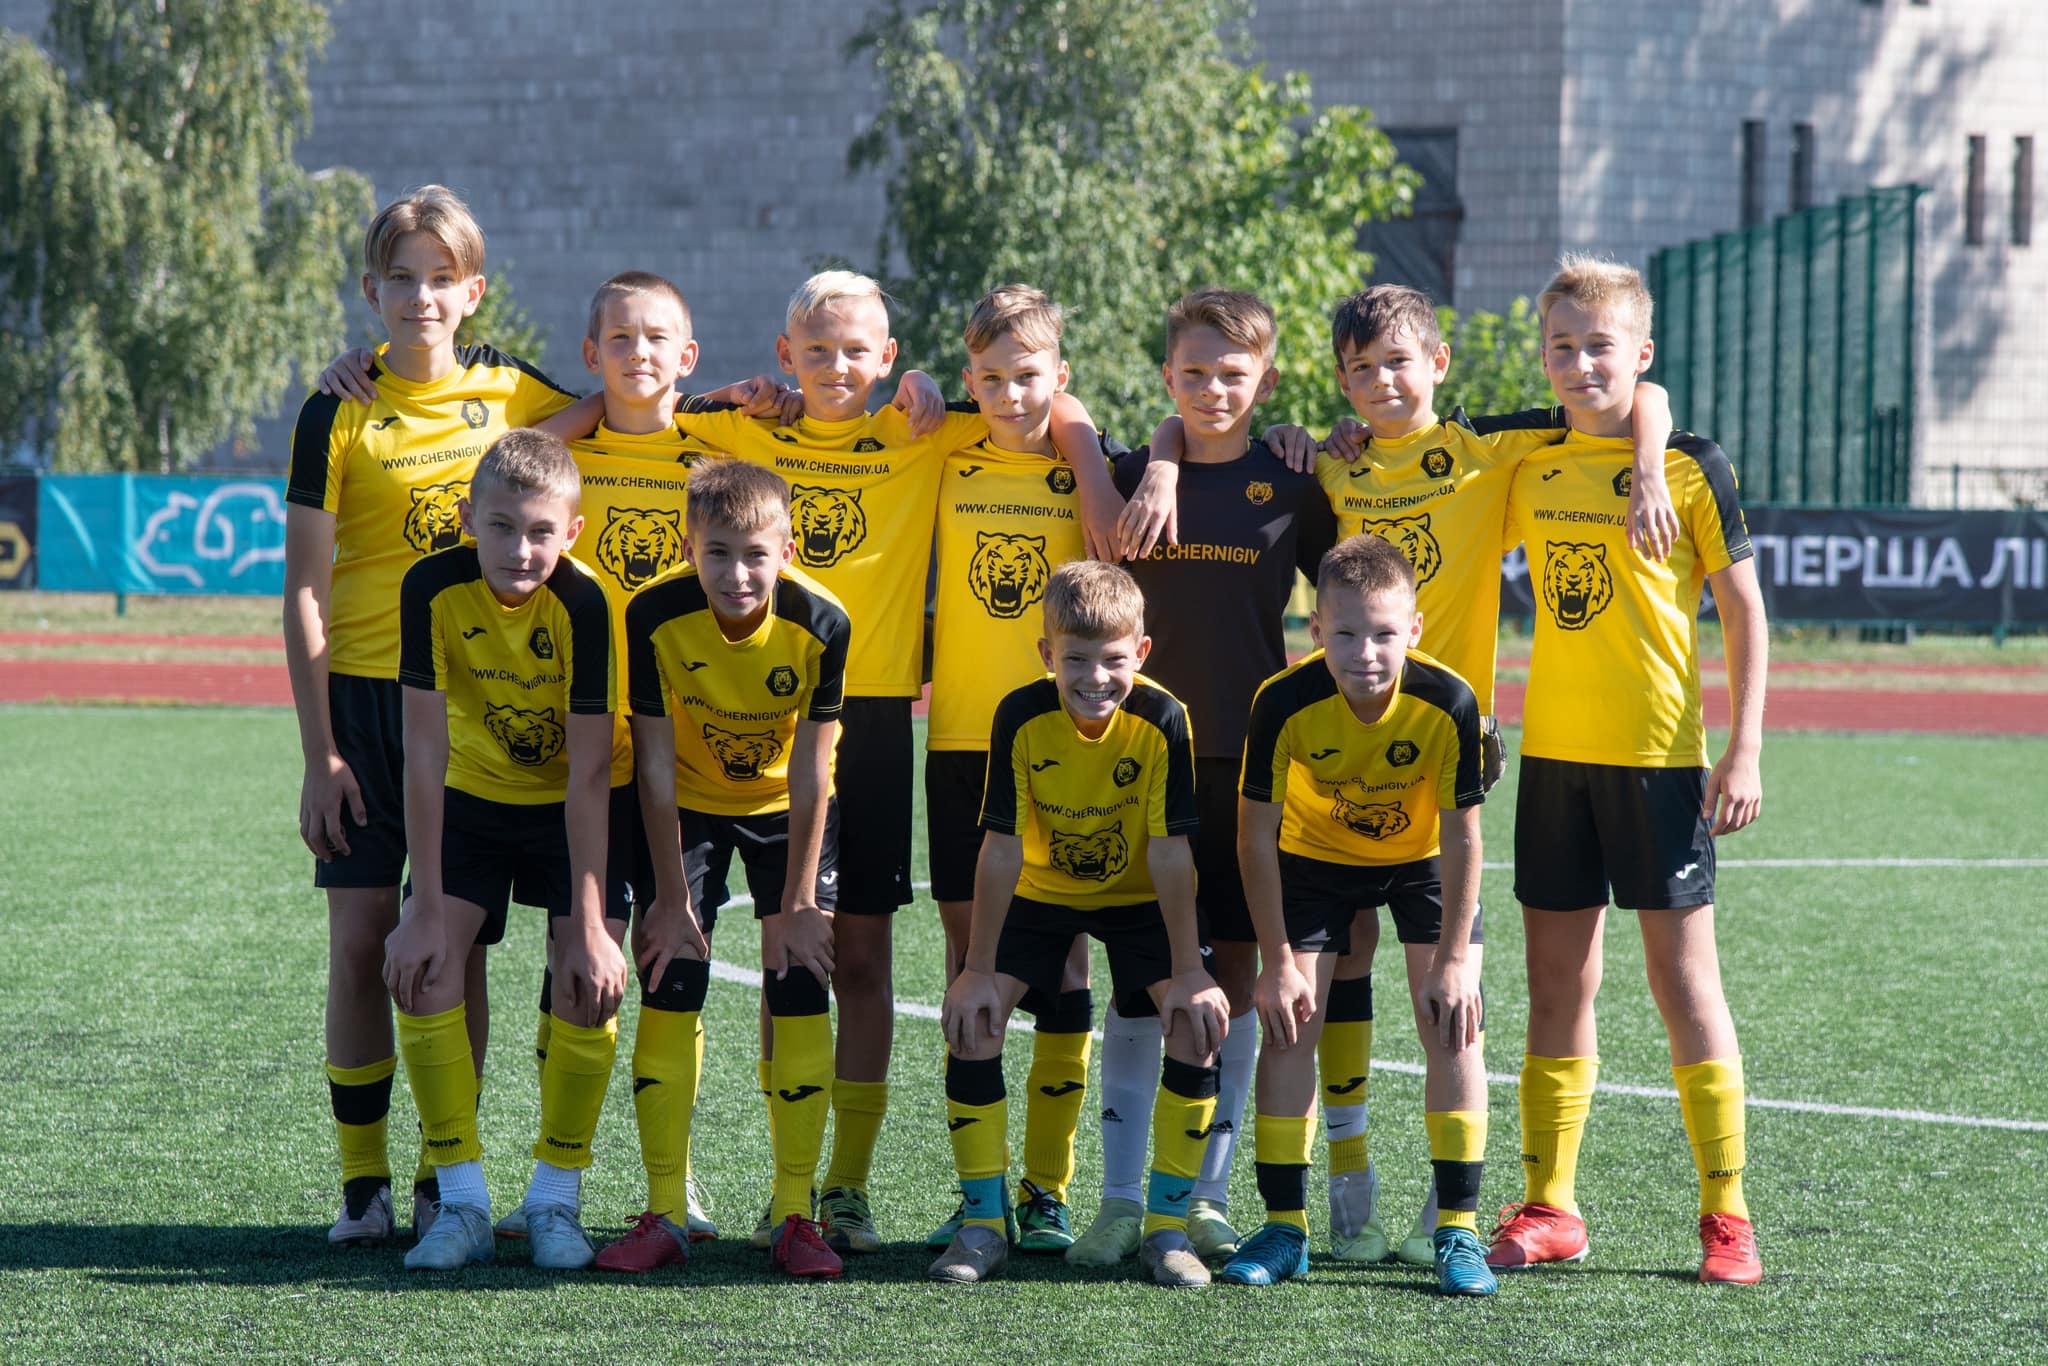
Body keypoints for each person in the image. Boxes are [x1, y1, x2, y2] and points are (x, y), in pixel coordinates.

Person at [647, 270, 1118, 1252]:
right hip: (759, 711)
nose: (835, 367)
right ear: (786, 354)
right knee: (785, 950)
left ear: (890, 358)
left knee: (858, 954)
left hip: (872, 719)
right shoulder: (749, 427)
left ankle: (847, 1187)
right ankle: (778, 1185)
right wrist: (734, 392)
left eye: (856, 350)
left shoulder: (925, 427)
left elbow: (1048, 400)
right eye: (815, 351)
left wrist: (1103, 463)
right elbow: (646, 406)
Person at [1262, 283, 1676, 1265]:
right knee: (1334, 970)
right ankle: (1340, 1179)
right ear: (1341, 383)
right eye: (1360, 369)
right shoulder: (1331, 461)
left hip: (1444, 755)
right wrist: (1292, 436)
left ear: (1439, 363)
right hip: (1339, 753)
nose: (1381, 382)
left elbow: (1639, 397)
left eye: (1398, 362)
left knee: (1448, 994)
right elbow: (1252, 447)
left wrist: (1653, 467)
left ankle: (1445, 1214)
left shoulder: (1489, 449)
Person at [284, 185, 577, 1247]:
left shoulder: (510, 389)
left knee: (456, 943)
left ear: (473, 290)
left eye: (440, 278)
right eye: (401, 278)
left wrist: (741, 396)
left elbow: (617, 414)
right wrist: (319, 754)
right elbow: (304, 589)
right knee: (363, 939)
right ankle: (362, 1185)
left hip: (474, 702)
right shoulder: (337, 409)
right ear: (372, 290)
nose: (421, 297)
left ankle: (439, 1179)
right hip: (365, 703)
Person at [1487, 256, 1767, 1286]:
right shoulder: (1528, 456)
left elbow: (1743, 609)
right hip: (1554, 760)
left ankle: (1726, 1214)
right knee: (1556, 985)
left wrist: (1742, 746)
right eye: (1560, 347)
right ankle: (1550, 1203)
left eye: (1599, 345)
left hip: (1659, 763)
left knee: (1683, 984)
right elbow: (1425, 434)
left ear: (1640, 352)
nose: (1579, 364)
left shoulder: (1691, 466)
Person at [1073, 288, 1335, 1267]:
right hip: (1137, 760)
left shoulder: (1294, 482)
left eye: (1233, 374)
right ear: (1166, 376)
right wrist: (1159, 458)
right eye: (1193, 373)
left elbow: (1348, 595)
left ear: (1266, 380)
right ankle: (1117, 1200)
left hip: (1247, 770)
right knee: (1139, 983)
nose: (1212, 389)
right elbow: (1063, 419)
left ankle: (1206, 1197)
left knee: (1230, 977)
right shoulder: (1131, 476)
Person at [929, 561, 1229, 1288]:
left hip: (1138, 900)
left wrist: (1190, 970)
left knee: (1194, 1023)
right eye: (1076, 660)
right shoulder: (1019, 714)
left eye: (1114, 660)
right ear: (1046, 654)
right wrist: (976, 968)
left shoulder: (1163, 718)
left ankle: (1165, 1230)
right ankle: (983, 1225)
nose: (1096, 678)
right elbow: (1001, 846)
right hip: (1042, 893)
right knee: (974, 1020)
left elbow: (1170, 851)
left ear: (1142, 653)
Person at [383, 430, 641, 1271]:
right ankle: (459, 1203)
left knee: (588, 979)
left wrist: (592, 925)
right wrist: (423, 909)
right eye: (500, 527)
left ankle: (555, 1202)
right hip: (474, 800)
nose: (519, 550)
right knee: (426, 968)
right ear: (467, 520)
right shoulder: (430, 586)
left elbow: (591, 771)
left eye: (540, 532)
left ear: (573, 532)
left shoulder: (586, 604)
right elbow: (424, 750)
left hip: (575, 807)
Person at [1226, 533, 1494, 1296]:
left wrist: (1454, 959)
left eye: (1383, 634)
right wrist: (1277, 962)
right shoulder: (1281, 701)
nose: (1365, 653)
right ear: (1315, 630)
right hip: (1315, 862)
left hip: (1422, 863)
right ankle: (1286, 1229)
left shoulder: (1450, 700)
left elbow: (1463, 836)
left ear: (1414, 629)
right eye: (1344, 633)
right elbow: (1254, 836)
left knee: (1454, 1021)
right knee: (1288, 1025)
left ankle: (1458, 1231)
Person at [619, 459, 852, 1278]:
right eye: (717, 552)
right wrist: (670, 897)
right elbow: (652, 766)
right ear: (688, 547)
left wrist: (799, 903)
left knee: (800, 979)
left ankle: (794, 1214)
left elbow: (813, 771)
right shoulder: (652, 613)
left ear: (787, 549)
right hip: (688, 802)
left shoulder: (823, 620)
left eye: (756, 554)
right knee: (670, 972)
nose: (737, 573)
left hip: (788, 808)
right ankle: (666, 1210)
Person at [921, 285, 1118, 1255]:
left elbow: (1079, 431)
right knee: (973, 969)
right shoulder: (944, 445)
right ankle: (979, 1198)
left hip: (1056, 748)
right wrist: (917, 384)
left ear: (1058, 376)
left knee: (1065, 965)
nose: (1009, 394)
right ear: (969, 379)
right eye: (990, 378)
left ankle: (1046, 1190)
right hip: (959, 745)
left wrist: (1086, 450)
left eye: (1028, 376)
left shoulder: (1081, 465)